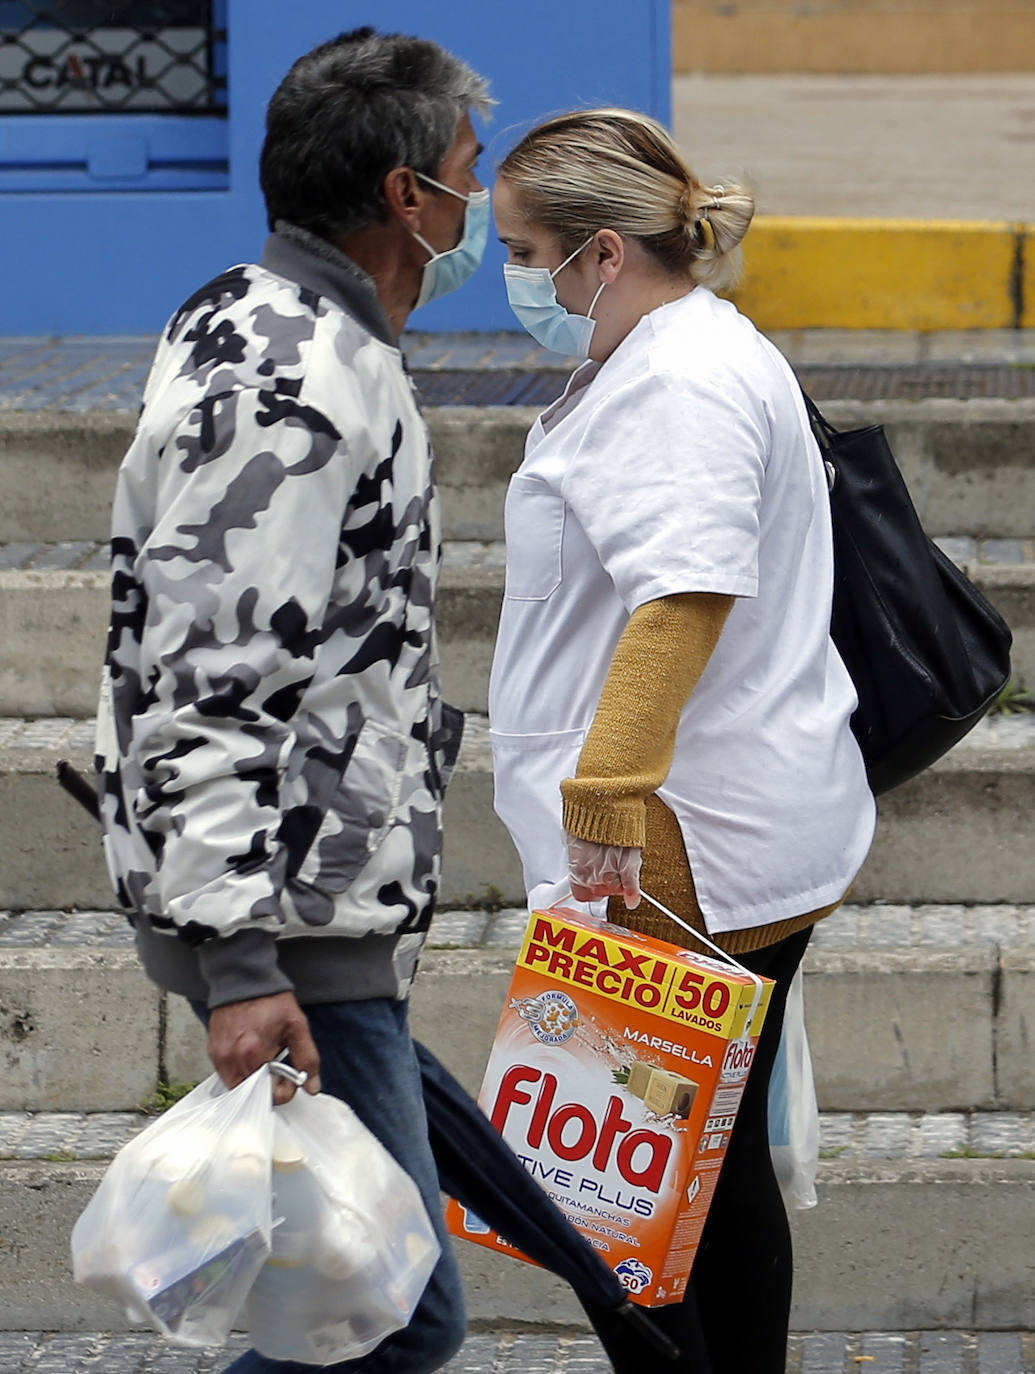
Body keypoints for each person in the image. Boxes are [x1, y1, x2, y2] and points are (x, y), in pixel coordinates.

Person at [95, 27, 493, 1374]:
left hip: (314, 893)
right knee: (388, 1306)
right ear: (404, 198)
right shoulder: (291, 378)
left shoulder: (266, 319)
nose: (473, 209)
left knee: (338, 1291)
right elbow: (206, 679)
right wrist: (244, 964)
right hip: (288, 914)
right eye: (464, 176)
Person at [489, 108, 877, 1374]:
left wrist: (604, 808)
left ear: (602, 253)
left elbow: (683, 598)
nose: (509, 278)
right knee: (693, 1182)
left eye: (521, 249)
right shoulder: (675, 350)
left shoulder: (680, 379)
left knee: (617, 1198)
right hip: (712, 832)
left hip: (674, 852)